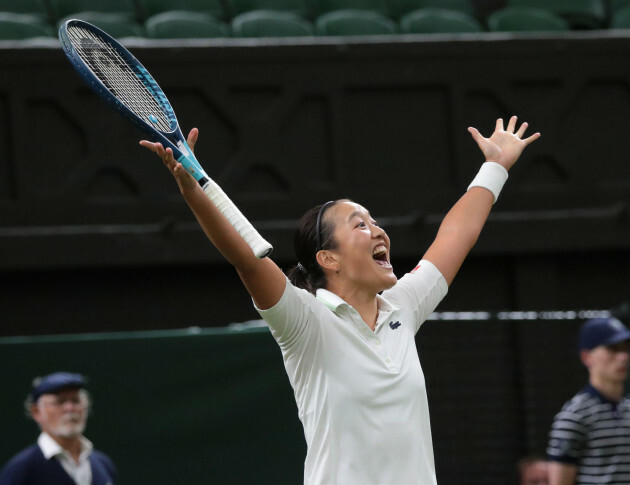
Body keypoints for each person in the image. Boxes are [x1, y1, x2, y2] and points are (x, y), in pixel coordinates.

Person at [140, 116, 539, 484]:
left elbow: (456, 235)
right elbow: (245, 260)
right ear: (328, 259)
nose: (378, 231)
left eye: (375, 221)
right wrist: (193, 191)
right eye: (360, 225)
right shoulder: (304, 322)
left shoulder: (404, 305)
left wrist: (496, 166)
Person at [547, 316, 630, 485]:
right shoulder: (575, 415)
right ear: (587, 357)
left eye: (625, 348)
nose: (623, 356)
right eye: (612, 349)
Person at [0, 372, 117, 485]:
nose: (69, 408)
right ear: (36, 412)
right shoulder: (22, 469)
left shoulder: (103, 464)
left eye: (76, 401)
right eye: (59, 402)